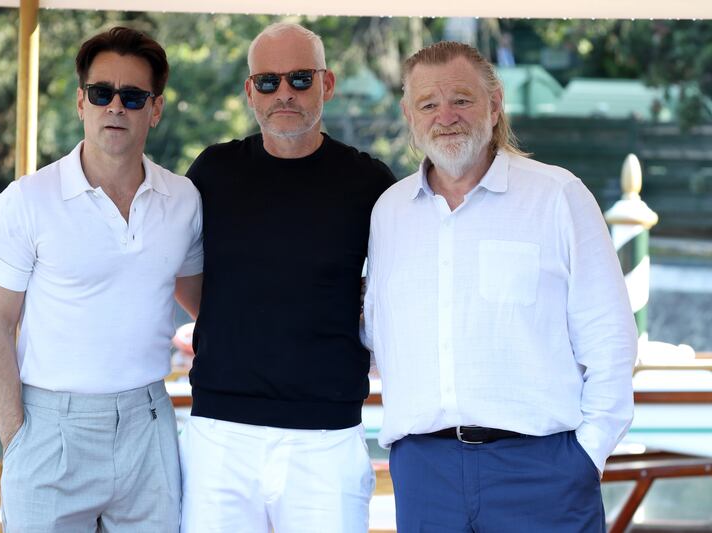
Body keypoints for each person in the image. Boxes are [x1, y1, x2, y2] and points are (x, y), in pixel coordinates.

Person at [363, 41, 637, 532]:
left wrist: (587, 454)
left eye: (462, 99)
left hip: (543, 470)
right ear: (409, 114)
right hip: (425, 474)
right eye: (428, 104)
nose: (446, 116)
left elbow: (611, 337)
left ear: (494, 105)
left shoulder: (558, 196)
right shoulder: (389, 213)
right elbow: (382, 335)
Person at [0, 27, 202, 532]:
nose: (115, 107)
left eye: (133, 96)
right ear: (81, 102)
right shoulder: (26, 201)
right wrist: (17, 440)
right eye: (102, 93)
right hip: (49, 429)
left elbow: (203, 302)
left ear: (155, 108)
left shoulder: (184, 200)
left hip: (149, 425)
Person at [176, 22, 395, 533]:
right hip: (220, 434)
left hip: (326, 436)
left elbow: (406, 282)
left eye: (300, 79)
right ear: (250, 91)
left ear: (328, 83)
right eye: (268, 82)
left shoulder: (369, 182)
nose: (285, 94)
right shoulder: (213, 171)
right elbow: (161, 259)